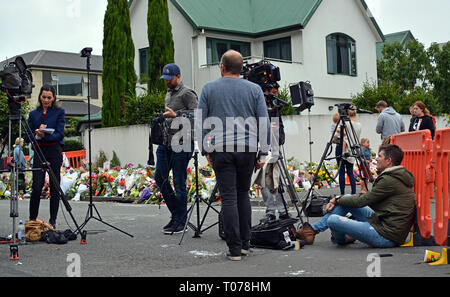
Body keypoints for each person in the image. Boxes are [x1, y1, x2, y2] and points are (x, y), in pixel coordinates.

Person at [196, 50, 271, 261]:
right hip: (247, 149)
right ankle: (246, 244)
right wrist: (263, 151)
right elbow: (263, 121)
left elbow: (200, 122)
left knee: (228, 197)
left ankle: (234, 249)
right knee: (242, 194)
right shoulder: (254, 89)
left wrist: (205, 149)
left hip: (221, 148)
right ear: (241, 69)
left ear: (222, 66)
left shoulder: (209, 89)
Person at [296, 144, 416, 248]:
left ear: (388, 161)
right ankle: (311, 230)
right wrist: (339, 200)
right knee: (346, 199)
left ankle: (341, 239)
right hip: (382, 223)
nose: (376, 158)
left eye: (380, 156)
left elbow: (362, 201)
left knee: (333, 220)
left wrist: (336, 199)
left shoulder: (389, 179)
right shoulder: (395, 175)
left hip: (386, 236)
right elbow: (367, 199)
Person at [155, 63, 198, 235]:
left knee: (179, 182)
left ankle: (180, 221)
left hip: (183, 142)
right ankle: (178, 215)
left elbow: (197, 115)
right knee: (160, 178)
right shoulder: (168, 93)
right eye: (164, 79)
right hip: (166, 142)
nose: (166, 82)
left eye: (169, 79)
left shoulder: (188, 93)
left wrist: (177, 115)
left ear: (178, 76)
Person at [27, 84, 65, 228]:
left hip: (54, 151)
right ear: (40, 96)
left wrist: (45, 135)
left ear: (54, 98)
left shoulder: (59, 112)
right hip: (39, 151)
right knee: (37, 187)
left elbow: (60, 134)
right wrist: (37, 135)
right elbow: (27, 134)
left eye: (49, 97)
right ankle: (32, 220)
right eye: (44, 97)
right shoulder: (33, 114)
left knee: (55, 186)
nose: (46, 100)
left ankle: (52, 220)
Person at [254, 83, 290, 223]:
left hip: (275, 145)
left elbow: (279, 125)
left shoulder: (275, 106)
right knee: (264, 180)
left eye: (277, 92)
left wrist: (280, 137)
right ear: (266, 92)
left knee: (279, 179)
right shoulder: (258, 104)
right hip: (260, 146)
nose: (276, 95)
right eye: (274, 92)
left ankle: (283, 210)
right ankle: (270, 211)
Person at [333, 109, 361, 195]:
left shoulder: (346, 124)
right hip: (352, 149)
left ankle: (342, 193)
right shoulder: (359, 125)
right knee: (350, 172)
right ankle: (353, 193)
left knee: (341, 172)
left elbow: (341, 137)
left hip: (342, 147)